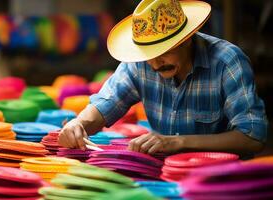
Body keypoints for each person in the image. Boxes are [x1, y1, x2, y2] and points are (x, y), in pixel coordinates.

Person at [58, 0, 267, 157]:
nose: (155, 63)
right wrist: (79, 124)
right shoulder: (139, 63)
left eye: (164, 51)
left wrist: (178, 142)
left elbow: (252, 137)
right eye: (148, 54)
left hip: (217, 182)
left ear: (186, 39)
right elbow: (105, 105)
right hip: (160, 176)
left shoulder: (227, 62)